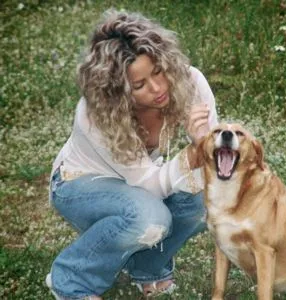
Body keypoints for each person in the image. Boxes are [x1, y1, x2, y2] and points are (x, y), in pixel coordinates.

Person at [46, 9, 218, 299]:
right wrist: (192, 153)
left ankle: (148, 266)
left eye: (158, 71)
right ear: (118, 91)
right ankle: (70, 279)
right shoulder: (98, 114)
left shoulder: (190, 82)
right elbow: (149, 186)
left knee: (206, 199)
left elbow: (213, 164)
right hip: (79, 185)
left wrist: (203, 141)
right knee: (150, 218)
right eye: (139, 85)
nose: (158, 88)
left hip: (138, 182)